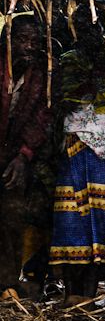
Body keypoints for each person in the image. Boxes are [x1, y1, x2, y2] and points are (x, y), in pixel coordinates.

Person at [50, 10, 105, 301]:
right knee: (72, 216)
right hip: (75, 143)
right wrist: (89, 82)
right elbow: (62, 97)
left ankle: (99, 288)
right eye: (83, 29)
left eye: (95, 28)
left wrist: (101, 82)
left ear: (103, 30)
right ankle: (74, 292)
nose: (90, 34)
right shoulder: (69, 61)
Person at [0, 16, 54, 300]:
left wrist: (23, 155)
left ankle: (6, 283)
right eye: (23, 40)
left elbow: (41, 117)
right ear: (8, 41)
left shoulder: (39, 75)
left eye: (35, 42)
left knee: (12, 216)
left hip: (13, 158)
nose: (29, 47)